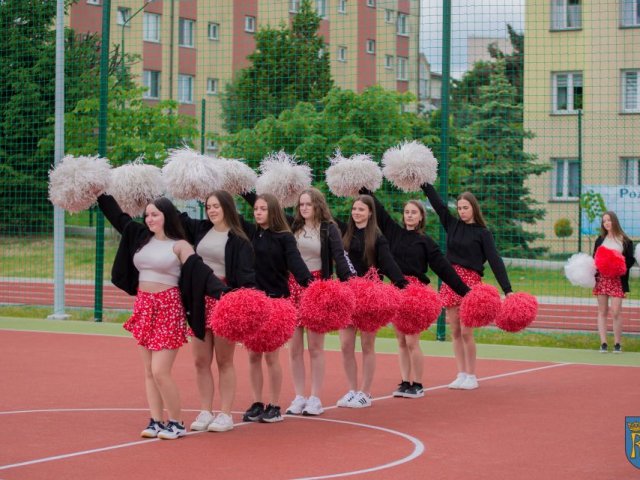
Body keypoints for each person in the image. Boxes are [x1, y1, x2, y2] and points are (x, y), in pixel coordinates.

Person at [97, 193, 202, 440]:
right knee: (148, 370)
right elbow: (118, 218)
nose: (149, 218)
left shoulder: (180, 245)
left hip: (169, 307)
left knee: (160, 371)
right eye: (147, 215)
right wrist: (101, 195)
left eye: (155, 214)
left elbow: (200, 273)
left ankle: (176, 422)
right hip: (144, 306)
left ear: (168, 215)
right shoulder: (141, 238)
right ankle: (156, 420)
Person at [361, 188, 470, 399]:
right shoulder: (393, 233)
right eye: (406, 212)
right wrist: (366, 190)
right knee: (401, 341)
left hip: (415, 295)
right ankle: (404, 382)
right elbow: (380, 211)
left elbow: (444, 268)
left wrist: (464, 291)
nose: (409, 215)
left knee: (412, 341)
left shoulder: (426, 242)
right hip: (395, 291)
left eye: (414, 212)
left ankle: (417, 384)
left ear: (421, 217)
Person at [179, 190, 256, 432]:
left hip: (225, 300)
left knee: (224, 360)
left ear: (227, 208)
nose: (211, 210)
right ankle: (204, 411)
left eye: (216, 206)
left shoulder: (240, 238)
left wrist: (237, 302)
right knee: (200, 361)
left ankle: (225, 413)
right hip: (199, 300)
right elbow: (175, 217)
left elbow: (246, 275)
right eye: (208, 206)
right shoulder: (201, 229)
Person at [423, 184, 512, 390]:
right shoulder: (452, 225)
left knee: (466, 331)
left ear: (474, 208)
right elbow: (438, 206)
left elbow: (495, 261)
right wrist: (424, 183)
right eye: (460, 208)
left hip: (470, 283)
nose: (462, 211)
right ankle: (461, 373)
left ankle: (472, 375)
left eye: (466, 208)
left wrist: (507, 289)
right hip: (451, 280)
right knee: (454, 330)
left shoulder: (483, 233)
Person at [240, 193, 313, 423]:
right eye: (256, 209)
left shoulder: (285, 237)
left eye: (263, 209)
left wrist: (312, 286)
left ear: (273, 211)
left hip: (276, 301)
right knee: (253, 356)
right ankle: (257, 402)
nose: (258, 212)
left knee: (271, 357)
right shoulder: (250, 233)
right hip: (253, 301)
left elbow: (296, 264)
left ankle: (274, 405)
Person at [285, 188, 355, 416]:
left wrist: (351, 283)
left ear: (317, 205)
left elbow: (339, 257)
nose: (304, 208)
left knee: (315, 347)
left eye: (308, 204)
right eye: (301, 204)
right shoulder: (293, 227)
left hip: (317, 288)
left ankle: (315, 397)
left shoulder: (329, 228)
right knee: (294, 349)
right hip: (293, 287)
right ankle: (298, 396)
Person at [336, 194, 408, 408]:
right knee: (345, 345)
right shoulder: (344, 233)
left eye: (361, 209)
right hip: (348, 295)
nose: (356, 212)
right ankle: (352, 390)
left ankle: (365, 392)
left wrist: (403, 285)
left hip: (370, 298)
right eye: (354, 209)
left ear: (369, 213)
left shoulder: (377, 237)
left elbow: (389, 264)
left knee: (367, 345)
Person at [592, 211, 634, 353]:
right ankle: (603, 343)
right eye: (604, 221)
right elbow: (595, 259)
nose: (607, 223)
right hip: (602, 279)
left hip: (617, 280)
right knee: (602, 311)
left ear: (614, 221)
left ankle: (617, 343)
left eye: (609, 220)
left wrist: (618, 264)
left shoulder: (625, 241)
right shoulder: (600, 240)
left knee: (616, 312)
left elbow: (629, 261)